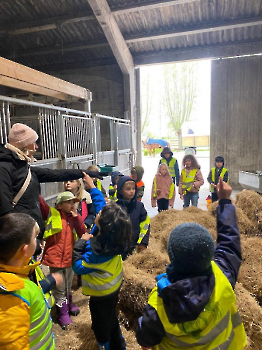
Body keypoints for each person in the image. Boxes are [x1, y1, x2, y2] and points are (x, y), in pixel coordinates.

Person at [136, 178, 247, 350]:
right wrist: (225, 201)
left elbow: (146, 340)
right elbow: (229, 242)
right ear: (210, 253)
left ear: (171, 257)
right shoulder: (223, 276)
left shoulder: (159, 301)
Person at [0, 123, 106, 253]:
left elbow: (55, 174)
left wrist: (85, 173)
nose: (36, 146)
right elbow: (5, 210)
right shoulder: (4, 168)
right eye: (33, 142)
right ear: (23, 145)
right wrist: (24, 239)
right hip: (19, 241)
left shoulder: (23, 167)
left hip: (29, 235)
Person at [73, 175, 132, 350]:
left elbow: (78, 266)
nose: (99, 212)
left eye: (99, 214)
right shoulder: (115, 236)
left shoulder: (95, 250)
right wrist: (92, 188)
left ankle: (103, 346)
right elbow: (103, 208)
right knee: (111, 316)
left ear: (102, 222)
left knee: (100, 324)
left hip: (100, 295)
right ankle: (120, 344)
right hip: (114, 288)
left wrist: (81, 242)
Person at [0, 213, 55, 349]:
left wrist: (49, 283)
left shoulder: (21, 267)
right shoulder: (11, 296)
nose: (37, 241)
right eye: (35, 237)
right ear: (24, 249)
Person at [41, 191, 86, 329]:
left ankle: (69, 303)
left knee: (68, 284)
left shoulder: (73, 218)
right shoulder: (52, 214)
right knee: (59, 287)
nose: (72, 205)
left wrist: (77, 217)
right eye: (69, 202)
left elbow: (82, 232)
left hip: (69, 257)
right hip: (54, 258)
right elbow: (42, 204)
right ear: (60, 205)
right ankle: (62, 312)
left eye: (74, 202)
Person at [117, 176, 150, 257]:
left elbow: (146, 225)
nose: (132, 191)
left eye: (133, 189)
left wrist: (143, 243)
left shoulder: (139, 206)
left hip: (135, 247)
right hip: (119, 249)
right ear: (121, 191)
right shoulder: (115, 207)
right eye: (128, 189)